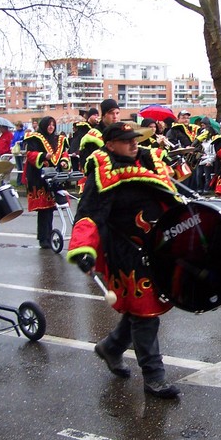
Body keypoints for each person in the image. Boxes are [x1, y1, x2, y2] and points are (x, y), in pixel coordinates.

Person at [67, 121, 182, 399]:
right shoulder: (103, 171)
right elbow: (89, 213)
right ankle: (154, 377)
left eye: (135, 138)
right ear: (110, 144)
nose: (134, 143)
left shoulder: (149, 161)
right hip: (125, 252)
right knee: (146, 313)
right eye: (126, 140)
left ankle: (111, 347)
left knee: (140, 309)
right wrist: (84, 249)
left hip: (157, 246)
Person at [23, 116, 70, 248]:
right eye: (49, 125)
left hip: (54, 177)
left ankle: (49, 235)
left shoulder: (57, 140)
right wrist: (43, 156)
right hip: (39, 178)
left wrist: (64, 162)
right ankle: (43, 238)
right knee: (44, 210)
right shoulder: (35, 138)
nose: (51, 127)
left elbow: (64, 154)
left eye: (53, 125)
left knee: (51, 209)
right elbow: (30, 154)